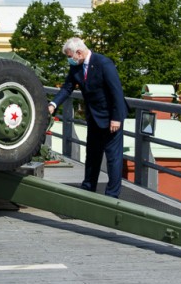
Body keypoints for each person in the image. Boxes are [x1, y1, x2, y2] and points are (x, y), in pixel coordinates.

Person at [48, 37, 128, 198]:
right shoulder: (77, 67)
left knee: (113, 158)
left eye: (70, 56)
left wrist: (116, 118)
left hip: (111, 118)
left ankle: (112, 196)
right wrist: (53, 105)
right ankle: (88, 188)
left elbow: (116, 92)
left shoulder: (103, 63)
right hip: (94, 118)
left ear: (78, 52)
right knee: (92, 155)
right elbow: (67, 88)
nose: (69, 60)